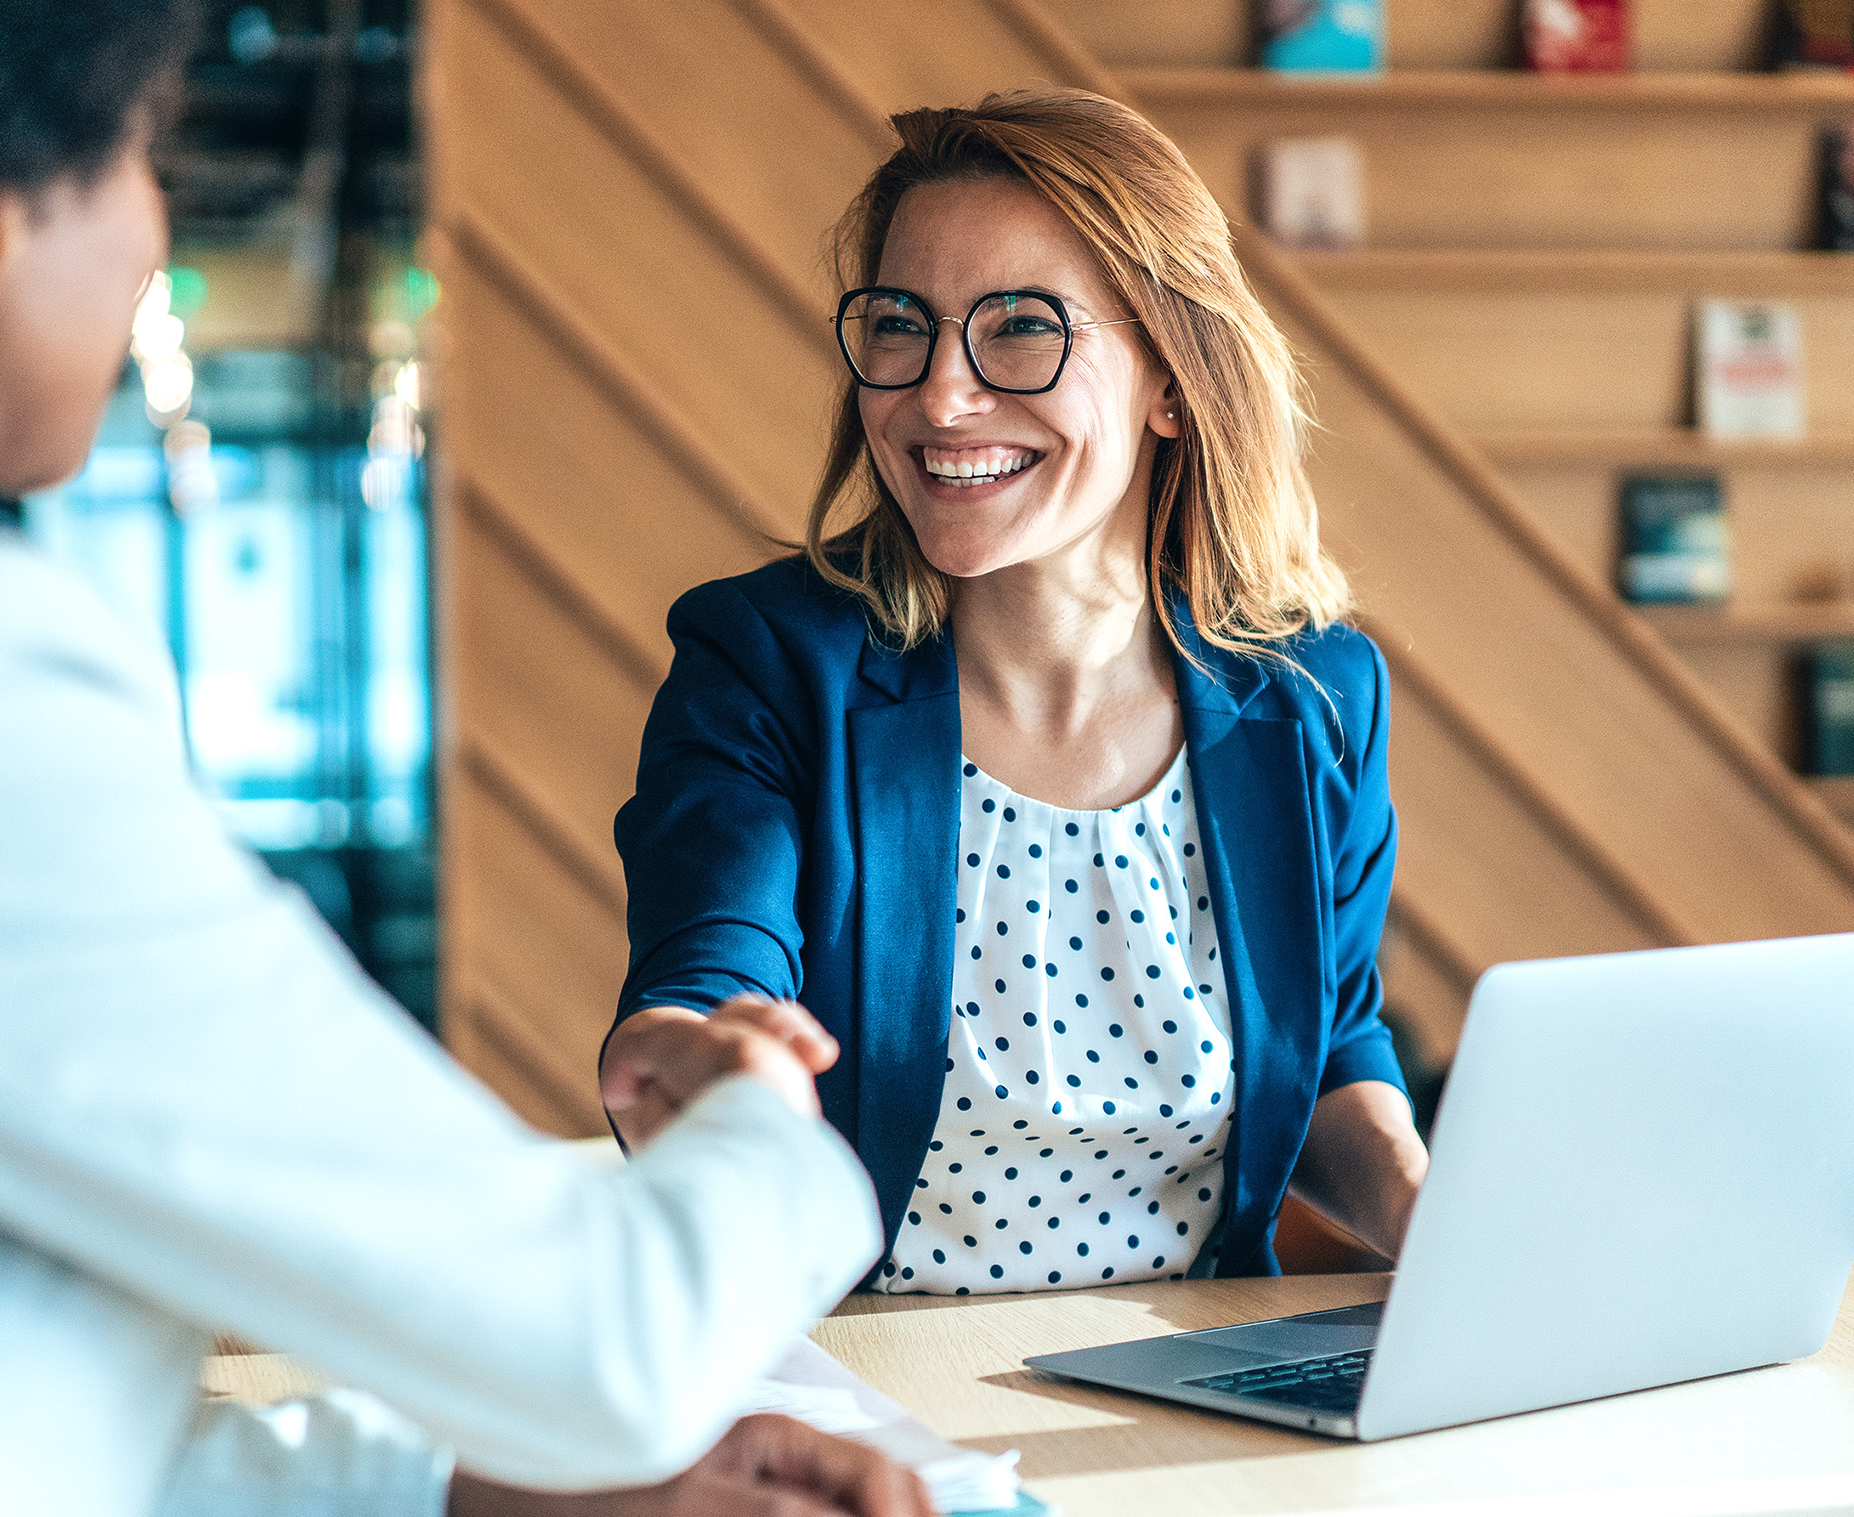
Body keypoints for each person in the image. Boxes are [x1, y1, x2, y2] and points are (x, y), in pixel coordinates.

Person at [0, 5, 928, 1515]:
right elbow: (610, 1345)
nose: (154, 227)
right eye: (143, 153)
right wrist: (762, 1120)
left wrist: (468, 1498)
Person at [602, 91, 1429, 1295]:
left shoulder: (1316, 694)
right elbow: (706, 970)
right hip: (865, 1385)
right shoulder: (767, 659)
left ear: (1171, 379)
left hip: (1195, 1383)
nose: (940, 398)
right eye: (901, 325)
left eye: (1023, 329)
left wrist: (1426, 1208)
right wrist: (690, 1056)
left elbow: (1334, 1038)